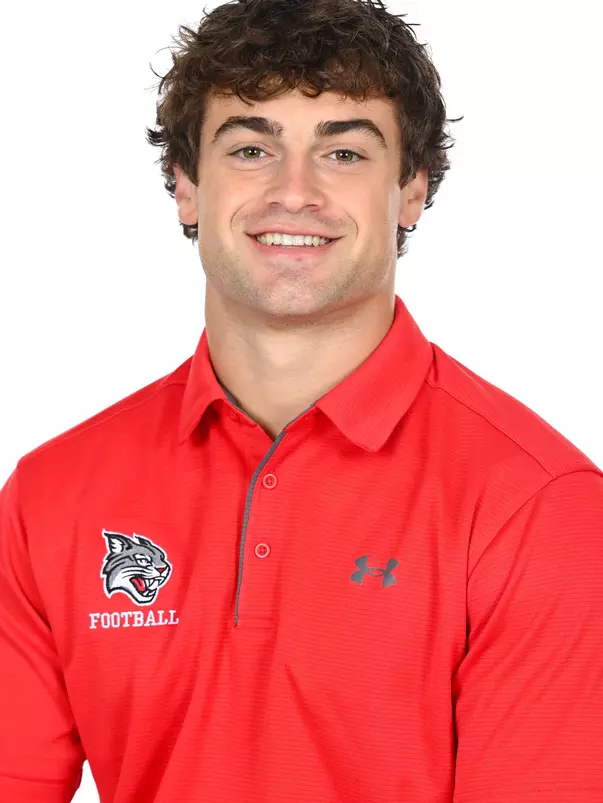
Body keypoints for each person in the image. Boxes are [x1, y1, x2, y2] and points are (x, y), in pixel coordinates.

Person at [1, 0, 602, 800]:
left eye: (343, 152)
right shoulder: (51, 494)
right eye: (251, 149)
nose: (294, 192)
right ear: (185, 186)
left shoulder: (535, 507)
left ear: (411, 190)